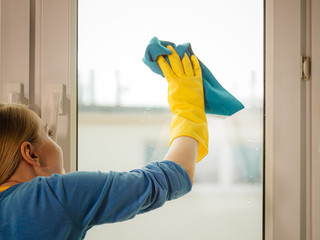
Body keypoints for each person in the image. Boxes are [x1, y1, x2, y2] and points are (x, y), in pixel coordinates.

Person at [0, 46, 208, 239]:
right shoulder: (54, 194)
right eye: (49, 133)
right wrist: (187, 106)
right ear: (31, 154)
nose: (55, 140)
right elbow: (172, 176)